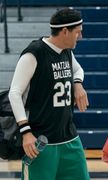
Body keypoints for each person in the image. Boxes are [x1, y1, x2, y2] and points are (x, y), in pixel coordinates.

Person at [8, 8, 90, 180]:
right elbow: (14, 93)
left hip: (70, 139)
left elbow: (78, 70)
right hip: (40, 143)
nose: (81, 37)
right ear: (65, 31)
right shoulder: (34, 53)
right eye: (78, 32)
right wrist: (26, 133)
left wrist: (78, 84)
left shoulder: (67, 51)